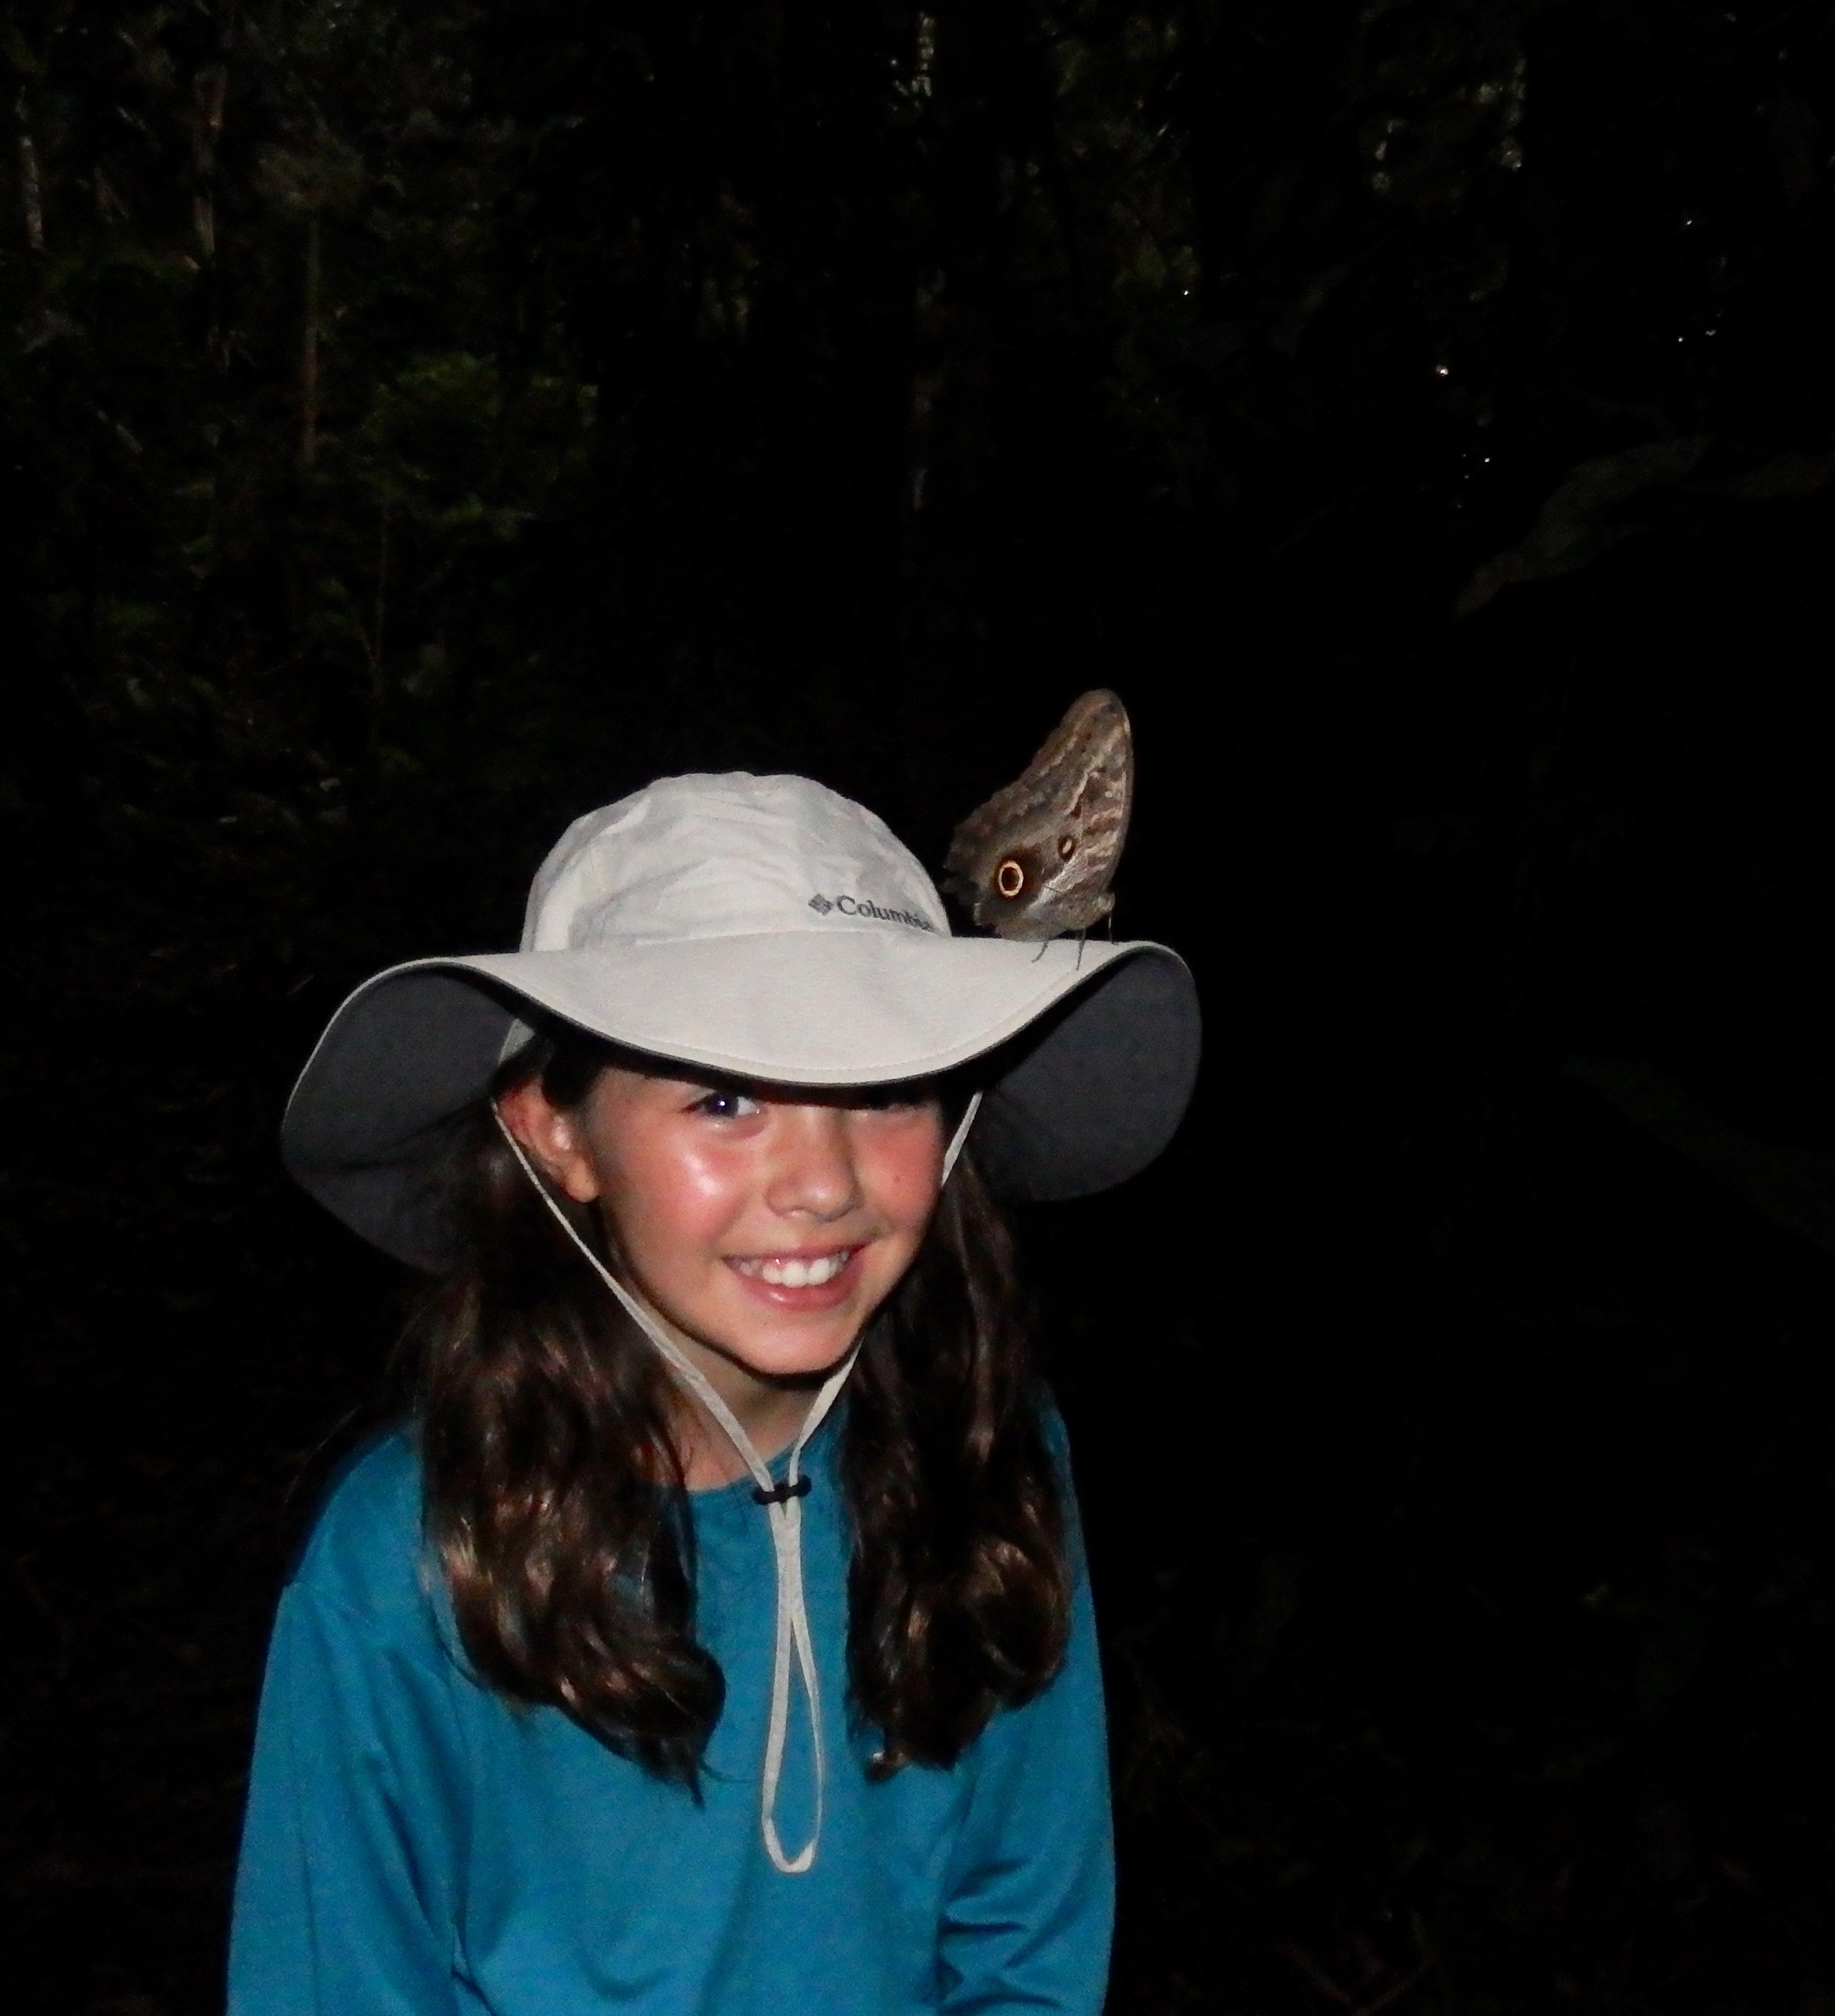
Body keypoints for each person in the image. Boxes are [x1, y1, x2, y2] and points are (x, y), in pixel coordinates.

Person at [232, 771, 1199, 2015]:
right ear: (557, 1133)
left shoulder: (987, 1459)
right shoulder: (412, 1560)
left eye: (888, 1090)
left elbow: (1028, 1943)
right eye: (725, 1099)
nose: (821, 1182)